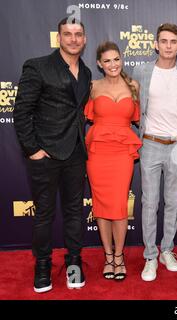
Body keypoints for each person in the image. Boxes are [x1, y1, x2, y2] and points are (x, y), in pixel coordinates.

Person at [13, 17, 91, 293]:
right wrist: (33, 150)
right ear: (59, 38)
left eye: (78, 34)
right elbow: (21, 112)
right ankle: (43, 264)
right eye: (68, 34)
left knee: (73, 212)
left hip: (75, 154)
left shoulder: (87, 71)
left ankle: (73, 262)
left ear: (84, 39)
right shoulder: (38, 66)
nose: (73, 39)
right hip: (44, 155)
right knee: (44, 214)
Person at [132, 23, 177, 282]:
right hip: (150, 144)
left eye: (173, 41)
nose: (168, 46)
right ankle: (150, 256)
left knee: (172, 202)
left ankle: (167, 250)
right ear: (155, 44)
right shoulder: (142, 71)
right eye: (163, 41)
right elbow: (134, 107)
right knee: (149, 202)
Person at [84, 41, 142, 281]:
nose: (112, 64)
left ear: (122, 60)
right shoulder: (92, 86)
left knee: (119, 205)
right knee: (101, 206)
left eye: (116, 59)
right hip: (97, 152)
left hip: (122, 153)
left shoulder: (133, 85)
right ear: (99, 64)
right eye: (107, 60)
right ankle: (108, 256)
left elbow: (141, 118)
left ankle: (119, 256)